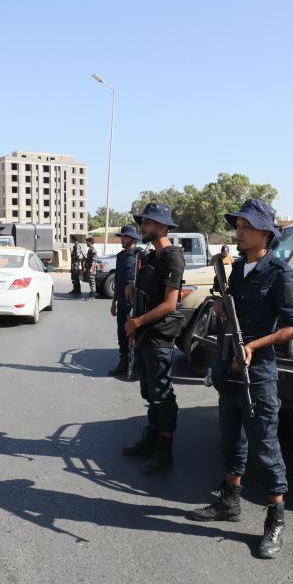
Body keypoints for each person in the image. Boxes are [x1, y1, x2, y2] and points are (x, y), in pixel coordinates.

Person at [188, 199, 293, 560]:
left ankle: (275, 520)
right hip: (229, 369)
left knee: (265, 448)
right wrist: (221, 307)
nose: (238, 231)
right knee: (231, 439)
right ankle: (229, 501)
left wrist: (255, 344)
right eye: (238, 225)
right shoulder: (237, 269)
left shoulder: (279, 273)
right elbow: (228, 311)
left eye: (246, 226)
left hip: (258, 373)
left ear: (265, 233)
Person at [122, 203, 185, 474]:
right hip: (146, 335)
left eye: (147, 223)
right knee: (149, 392)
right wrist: (131, 291)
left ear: (161, 226)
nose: (141, 227)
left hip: (159, 336)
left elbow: (170, 304)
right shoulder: (151, 257)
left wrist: (137, 322)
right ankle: (151, 438)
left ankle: (165, 451)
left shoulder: (172, 257)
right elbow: (149, 295)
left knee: (162, 394)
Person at [107, 225, 142, 377]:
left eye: (125, 237)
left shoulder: (142, 255)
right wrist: (113, 302)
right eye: (121, 236)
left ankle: (137, 366)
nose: (122, 239)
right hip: (121, 302)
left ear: (133, 239)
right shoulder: (120, 256)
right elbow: (118, 280)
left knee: (136, 336)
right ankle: (123, 363)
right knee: (122, 334)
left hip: (137, 305)